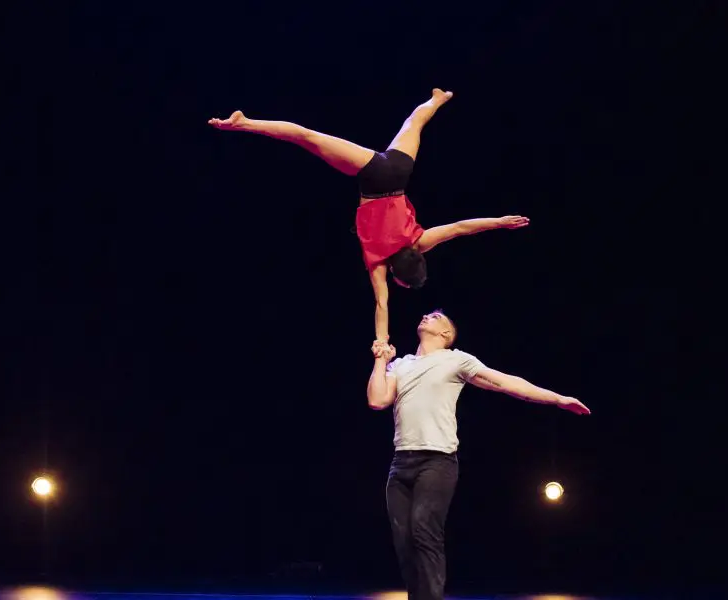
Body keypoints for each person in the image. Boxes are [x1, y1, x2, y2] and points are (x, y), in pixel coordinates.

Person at [208, 90, 530, 348]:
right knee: (307, 137)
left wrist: (500, 221)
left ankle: (436, 99)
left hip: (398, 174)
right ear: (396, 272)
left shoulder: (420, 242)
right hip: (374, 179)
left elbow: (460, 228)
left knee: (413, 125)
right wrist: (382, 340)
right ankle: (244, 123)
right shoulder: (379, 263)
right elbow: (382, 305)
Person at [366, 310, 590, 600]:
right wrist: (381, 359)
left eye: (434, 317)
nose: (425, 315)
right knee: (403, 542)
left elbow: (507, 383)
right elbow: (377, 399)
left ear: (446, 334)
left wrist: (558, 399)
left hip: (437, 461)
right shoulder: (402, 364)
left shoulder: (456, 359)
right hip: (401, 463)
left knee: (424, 529)